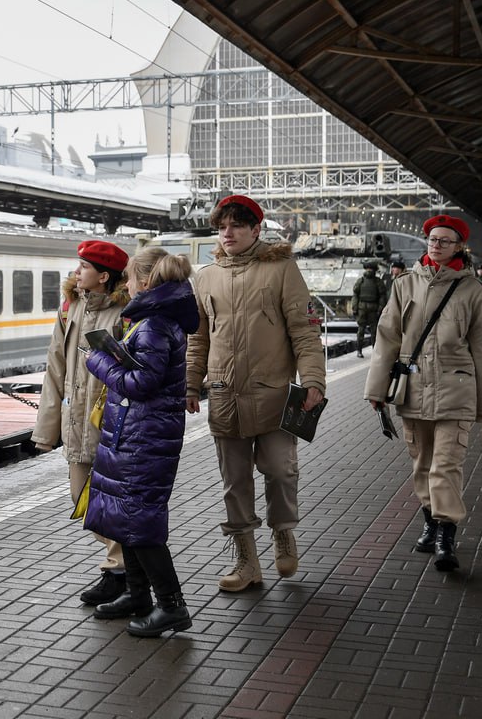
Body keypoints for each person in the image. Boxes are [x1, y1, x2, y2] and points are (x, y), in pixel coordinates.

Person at [185, 194, 326, 592]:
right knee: (234, 480)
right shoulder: (206, 277)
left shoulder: (281, 268)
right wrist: (191, 383)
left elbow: (303, 330)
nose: (227, 233)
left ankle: (283, 531)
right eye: (221, 227)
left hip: (275, 393)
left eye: (236, 226)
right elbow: (199, 340)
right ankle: (247, 560)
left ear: (256, 229)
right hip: (225, 394)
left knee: (281, 470)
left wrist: (313, 380)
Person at [364, 215, 482, 572]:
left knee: (446, 465)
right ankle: (431, 522)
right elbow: (387, 338)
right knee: (422, 464)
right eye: (432, 239)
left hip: (457, 388)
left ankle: (446, 536)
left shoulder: (472, 290)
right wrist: (376, 390)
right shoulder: (405, 285)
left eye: (444, 241)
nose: (436, 245)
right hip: (413, 389)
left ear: (459, 247)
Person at [83, 247, 199, 637]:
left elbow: (141, 383)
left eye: (131, 278)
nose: (127, 284)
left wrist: (99, 361)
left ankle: (172, 606)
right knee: (127, 520)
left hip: (144, 437)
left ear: (146, 282)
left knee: (142, 522)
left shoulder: (153, 325)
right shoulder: (154, 320)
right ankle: (138, 596)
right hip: (136, 434)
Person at [31, 239, 131, 607]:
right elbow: (55, 367)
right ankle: (130, 563)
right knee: (82, 499)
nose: (77, 272)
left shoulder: (124, 312)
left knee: (111, 502)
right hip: (77, 420)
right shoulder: (69, 308)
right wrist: (46, 431)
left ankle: (118, 572)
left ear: (104, 276)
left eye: (85, 266)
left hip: (111, 423)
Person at [352, 261, 387, 358]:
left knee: (373, 331)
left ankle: (369, 350)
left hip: (370, 308)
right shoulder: (362, 281)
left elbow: (382, 297)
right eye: (368, 269)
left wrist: (380, 308)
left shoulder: (375, 282)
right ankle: (360, 350)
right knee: (364, 330)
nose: (369, 271)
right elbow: (355, 295)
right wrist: (355, 307)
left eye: (370, 269)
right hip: (365, 308)